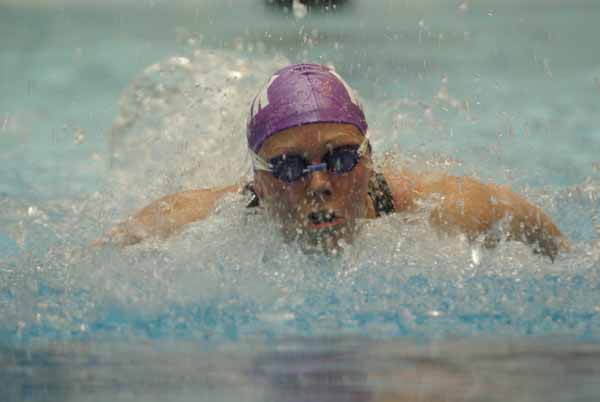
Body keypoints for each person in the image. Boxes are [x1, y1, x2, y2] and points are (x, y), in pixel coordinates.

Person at [97, 63, 569, 260]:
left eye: (342, 159)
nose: (318, 182)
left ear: (370, 159)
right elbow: (94, 262)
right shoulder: (190, 221)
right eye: (287, 168)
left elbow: (555, 247)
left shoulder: (446, 208)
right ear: (258, 182)